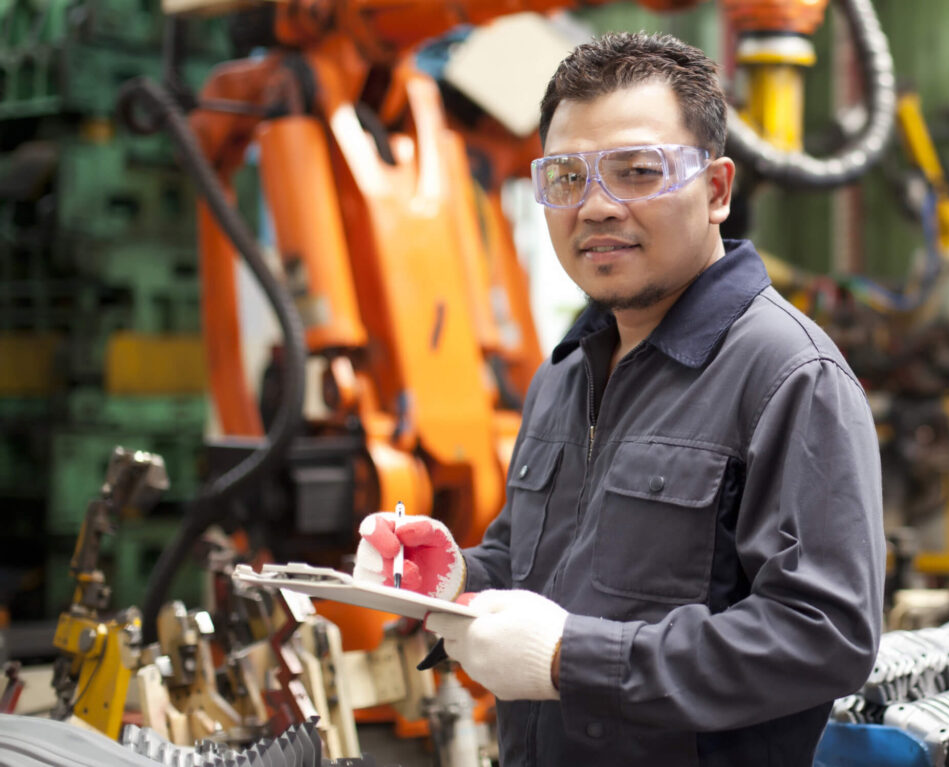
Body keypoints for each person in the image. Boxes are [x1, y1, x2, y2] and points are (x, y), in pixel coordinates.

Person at [354, 31, 886, 767]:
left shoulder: (789, 377)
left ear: (718, 190)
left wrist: (573, 656)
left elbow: (822, 637)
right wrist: (452, 579)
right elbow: (535, 563)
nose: (596, 207)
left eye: (638, 172)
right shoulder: (566, 373)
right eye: (567, 178)